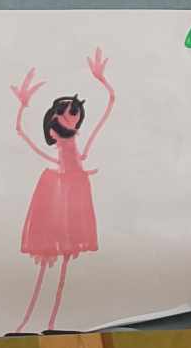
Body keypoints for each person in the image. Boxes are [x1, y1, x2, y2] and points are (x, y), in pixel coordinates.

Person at [12, 49, 115, 333]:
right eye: (69, 112)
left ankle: (51, 322)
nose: (73, 116)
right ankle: (27, 322)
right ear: (55, 120)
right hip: (58, 189)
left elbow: (110, 103)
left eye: (75, 113)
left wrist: (102, 80)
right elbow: (21, 131)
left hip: (74, 188)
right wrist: (23, 104)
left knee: (66, 259)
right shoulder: (58, 140)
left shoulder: (82, 143)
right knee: (47, 259)